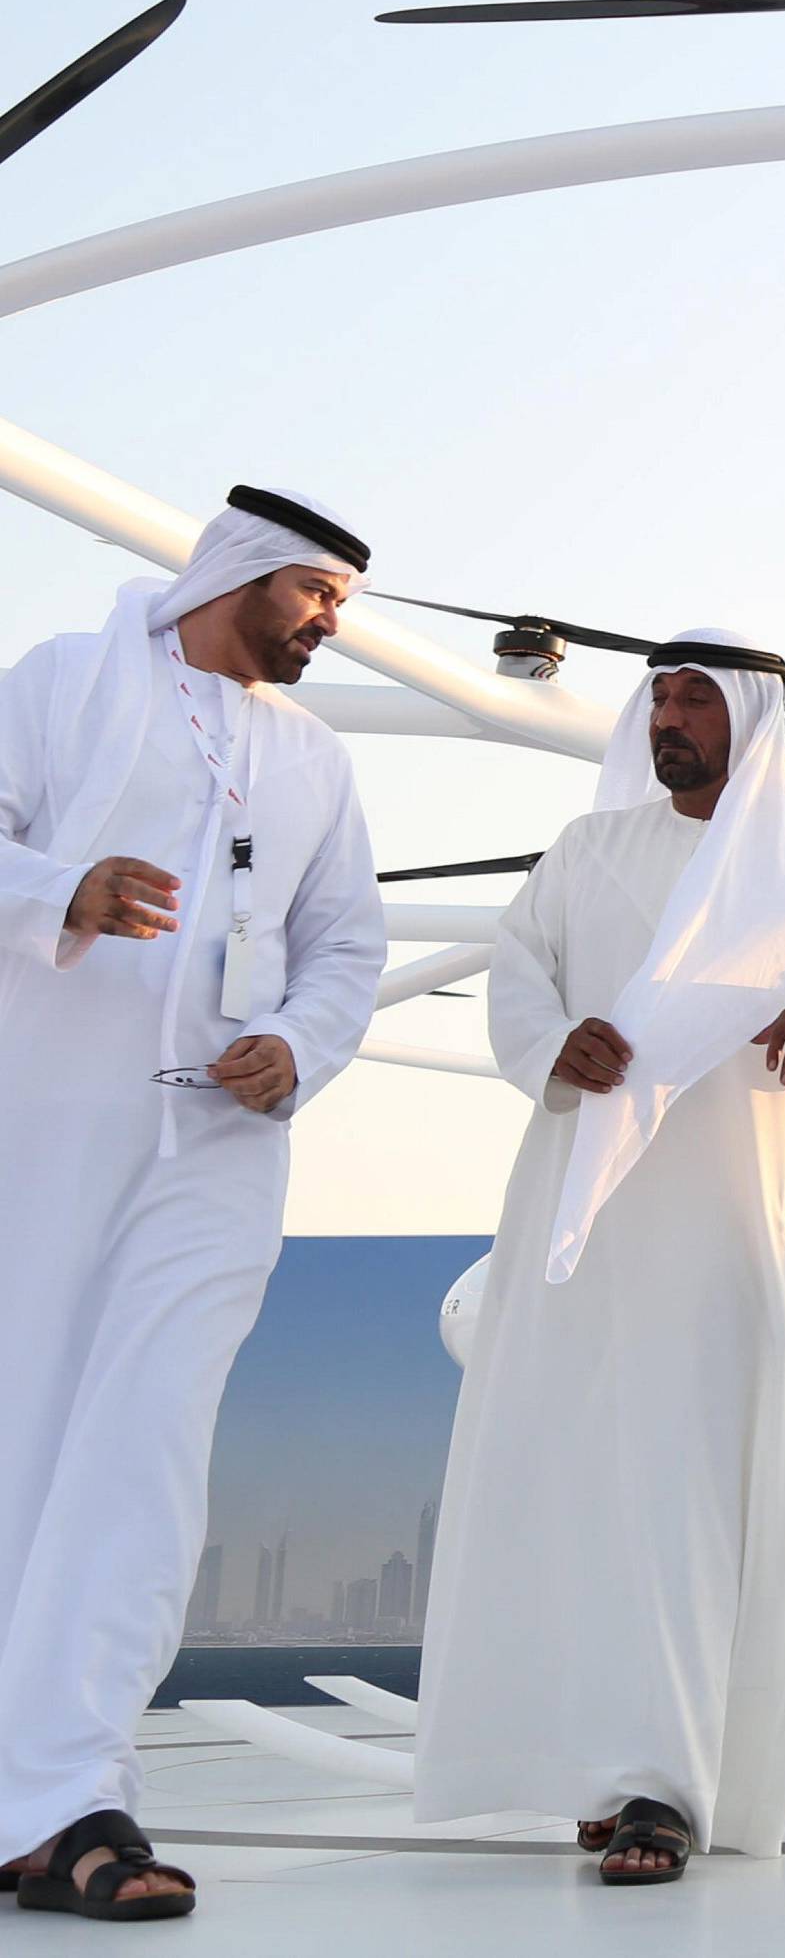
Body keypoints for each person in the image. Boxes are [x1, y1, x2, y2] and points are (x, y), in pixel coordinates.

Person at [413, 628, 785, 1884]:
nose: (670, 718)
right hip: (591, 1234)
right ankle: (611, 1771)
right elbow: (516, 976)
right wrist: (554, 1042)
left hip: (742, 1240)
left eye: (696, 699)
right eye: (658, 698)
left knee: (700, 1501)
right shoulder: (586, 854)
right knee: (596, 1495)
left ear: (752, 722)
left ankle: (669, 1781)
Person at [0, 486, 385, 1922]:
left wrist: (306, 1039)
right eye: (320, 598)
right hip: (45, 1123)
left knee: (148, 1451)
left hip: (219, 1146)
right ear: (246, 571)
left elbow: (346, 938)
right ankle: (25, 1804)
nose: (330, 630)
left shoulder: (314, 757)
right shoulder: (61, 683)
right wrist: (62, 889)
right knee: (24, 1438)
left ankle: (78, 1787)